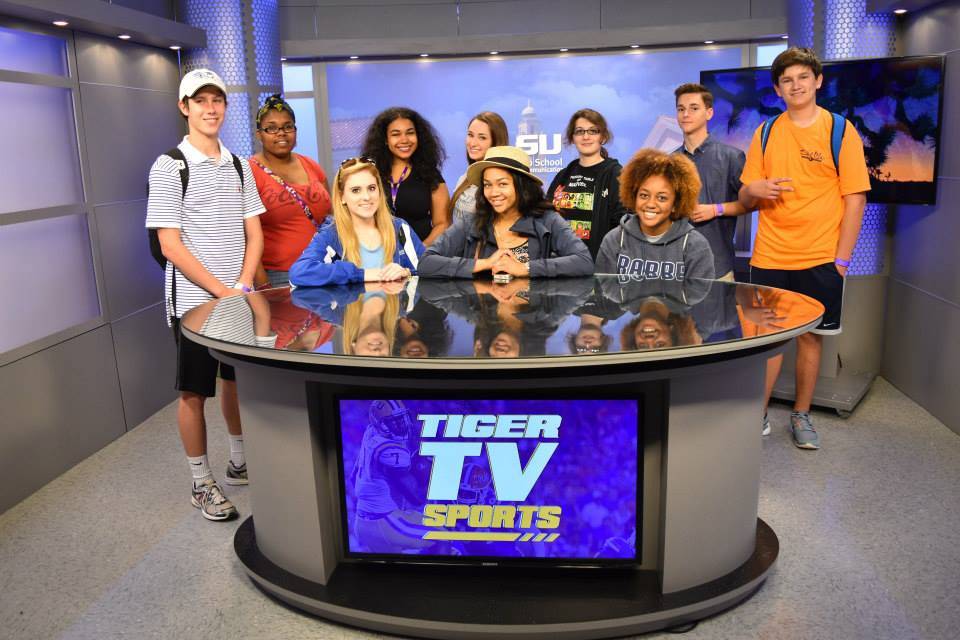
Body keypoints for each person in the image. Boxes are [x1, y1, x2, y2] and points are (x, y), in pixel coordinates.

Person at [145, 68, 265, 521]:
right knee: (194, 391)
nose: (210, 109)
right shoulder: (169, 165)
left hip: (236, 295)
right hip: (194, 302)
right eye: (200, 101)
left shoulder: (237, 164)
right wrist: (219, 291)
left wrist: (242, 285)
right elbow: (169, 244)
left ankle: (239, 460)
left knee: (235, 380)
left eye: (217, 100)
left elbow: (254, 232)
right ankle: (201, 482)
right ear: (184, 107)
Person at [738, 47, 870, 449]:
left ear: (817, 81)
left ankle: (801, 414)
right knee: (766, 340)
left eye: (803, 77)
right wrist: (755, 189)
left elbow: (855, 199)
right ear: (778, 89)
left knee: (811, 340)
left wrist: (841, 261)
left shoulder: (839, 131)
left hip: (820, 258)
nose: (796, 85)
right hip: (769, 256)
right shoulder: (765, 133)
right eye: (787, 80)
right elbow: (745, 196)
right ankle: (758, 414)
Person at [418, 146, 593, 279]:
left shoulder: (548, 220)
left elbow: (584, 261)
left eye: (502, 184)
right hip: (484, 313)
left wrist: (526, 268)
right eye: (487, 185)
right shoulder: (471, 222)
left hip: (532, 314)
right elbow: (425, 262)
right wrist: (483, 264)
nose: (493, 193)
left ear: (521, 186)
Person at [289, 157, 425, 287]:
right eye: (356, 190)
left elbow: (428, 269)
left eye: (371, 188)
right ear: (342, 197)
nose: (366, 197)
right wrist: (361, 275)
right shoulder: (330, 235)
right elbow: (299, 273)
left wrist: (407, 273)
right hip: (351, 304)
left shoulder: (399, 228)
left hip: (395, 304)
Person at [249, 94, 331, 289]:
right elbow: (245, 238)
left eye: (288, 127)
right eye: (271, 128)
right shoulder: (249, 171)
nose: (281, 133)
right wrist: (263, 286)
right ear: (259, 134)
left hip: (325, 268)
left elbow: (333, 216)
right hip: (280, 275)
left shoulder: (310, 164)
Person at [595, 148, 714, 283]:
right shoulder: (614, 240)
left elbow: (699, 293)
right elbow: (605, 290)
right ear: (634, 196)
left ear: (675, 204)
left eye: (662, 198)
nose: (651, 204)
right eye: (644, 195)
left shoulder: (695, 246)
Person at [673, 83, 750, 281]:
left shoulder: (732, 157)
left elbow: (751, 204)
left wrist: (716, 210)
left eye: (694, 108)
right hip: (675, 268)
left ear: (709, 113)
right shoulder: (669, 162)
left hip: (717, 267)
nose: (686, 114)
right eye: (681, 109)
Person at [361, 107, 450, 245]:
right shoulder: (370, 173)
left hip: (422, 252)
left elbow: (443, 223)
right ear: (385, 139)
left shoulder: (430, 174)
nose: (404, 140)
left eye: (410, 133)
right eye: (396, 134)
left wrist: (421, 251)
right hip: (379, 253)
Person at [546, 109, 628, 259]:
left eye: (593, 131)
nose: (586, 137)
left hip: (598, 262)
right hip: (560, 261)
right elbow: (546, 216)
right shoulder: (563, 175)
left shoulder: (615, 174)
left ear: (603, 136)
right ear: (572, 138)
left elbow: (624, 223)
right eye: (579, 131)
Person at [449, 111, 510, 224]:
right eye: (470, 135)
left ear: (496, 142)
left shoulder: (506, 183)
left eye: (482, 138)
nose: (473, 143)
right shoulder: (464, 177)